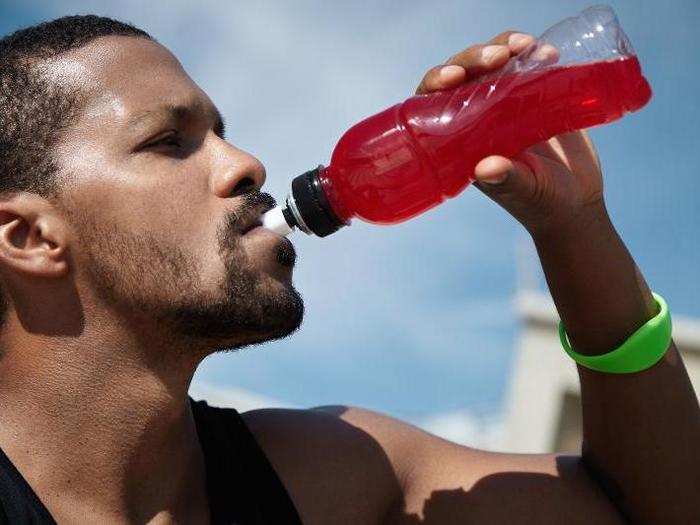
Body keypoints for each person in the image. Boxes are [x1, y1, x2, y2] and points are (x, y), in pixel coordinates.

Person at [0, 14, 696, 525]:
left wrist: (573, 224)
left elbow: (654, 508)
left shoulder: (319, 478)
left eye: (220, 131)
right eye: (168, 142)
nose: (246, 163)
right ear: (29, 235)